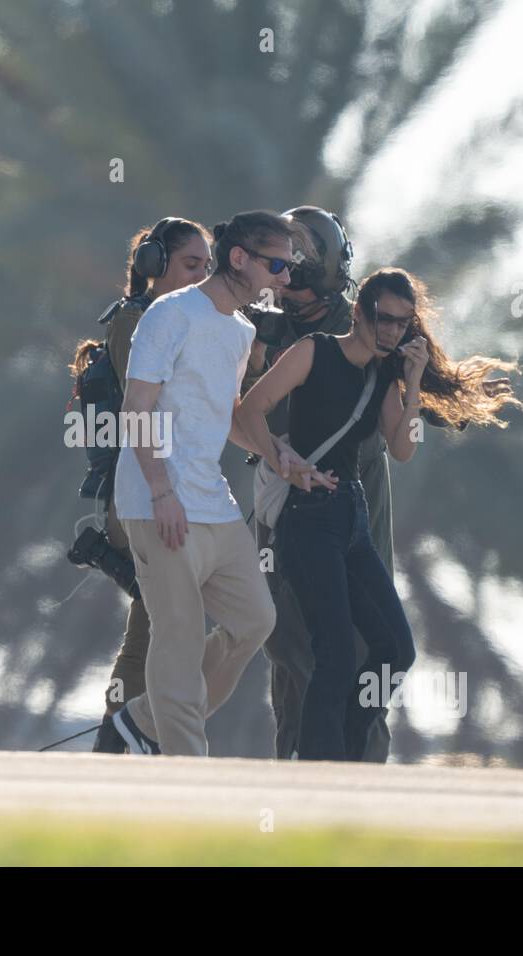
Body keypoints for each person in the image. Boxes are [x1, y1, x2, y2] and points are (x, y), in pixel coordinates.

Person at [235, 267, 523, 760]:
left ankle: (342, 752)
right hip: (307, 519)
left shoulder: (385, 375)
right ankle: (321, 769)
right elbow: (248, 410)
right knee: (336, 656)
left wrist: (412, 384)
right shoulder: (314, 352)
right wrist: (288, 465)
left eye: (402, 324)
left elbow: (403, 448)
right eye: (384, 319)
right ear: (361, 311)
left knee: (394, 649)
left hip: (352, 516)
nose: (391, 331)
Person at [109, 210, 324, 757]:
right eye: (276, 264)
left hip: (212, 504)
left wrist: (282, 458)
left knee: (255, 619)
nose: (284, 277)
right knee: (177, 641)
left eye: (289, 266)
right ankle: (189, 775)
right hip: (156, 500)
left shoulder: (240, 330)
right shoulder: (170, 314)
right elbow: (137, 407)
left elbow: (227, 415)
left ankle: (146, 719)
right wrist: (161, 491)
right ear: (239, 259)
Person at [68, 218, 214, 754]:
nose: (201, 277)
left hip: (171, 492)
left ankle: (125, 736)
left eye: (208, 267)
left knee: (153, 625)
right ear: (156, 267)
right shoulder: (140, 323)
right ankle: (121, 738)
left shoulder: (177, 321)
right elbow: (153, 401)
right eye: (190, 265)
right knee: (158, 625)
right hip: (144, 493)